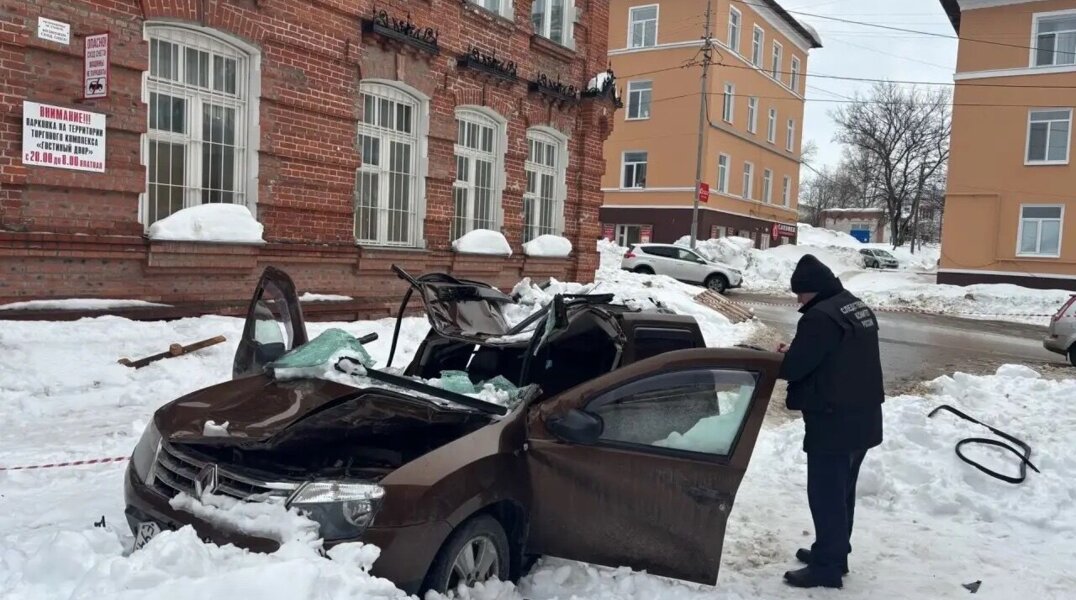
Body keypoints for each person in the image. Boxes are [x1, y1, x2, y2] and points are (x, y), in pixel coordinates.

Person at [776, 254, 884, 589]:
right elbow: (838, 356)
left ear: (813, 289)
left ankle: (826, 567)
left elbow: (794, 367)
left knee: (826, 496)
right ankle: (835, 553)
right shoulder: (854, 306)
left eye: (800, 293)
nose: (798, 300)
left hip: (833, 420)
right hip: (862, 416)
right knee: (842, 493)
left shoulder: (819, 317)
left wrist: (784, 357)